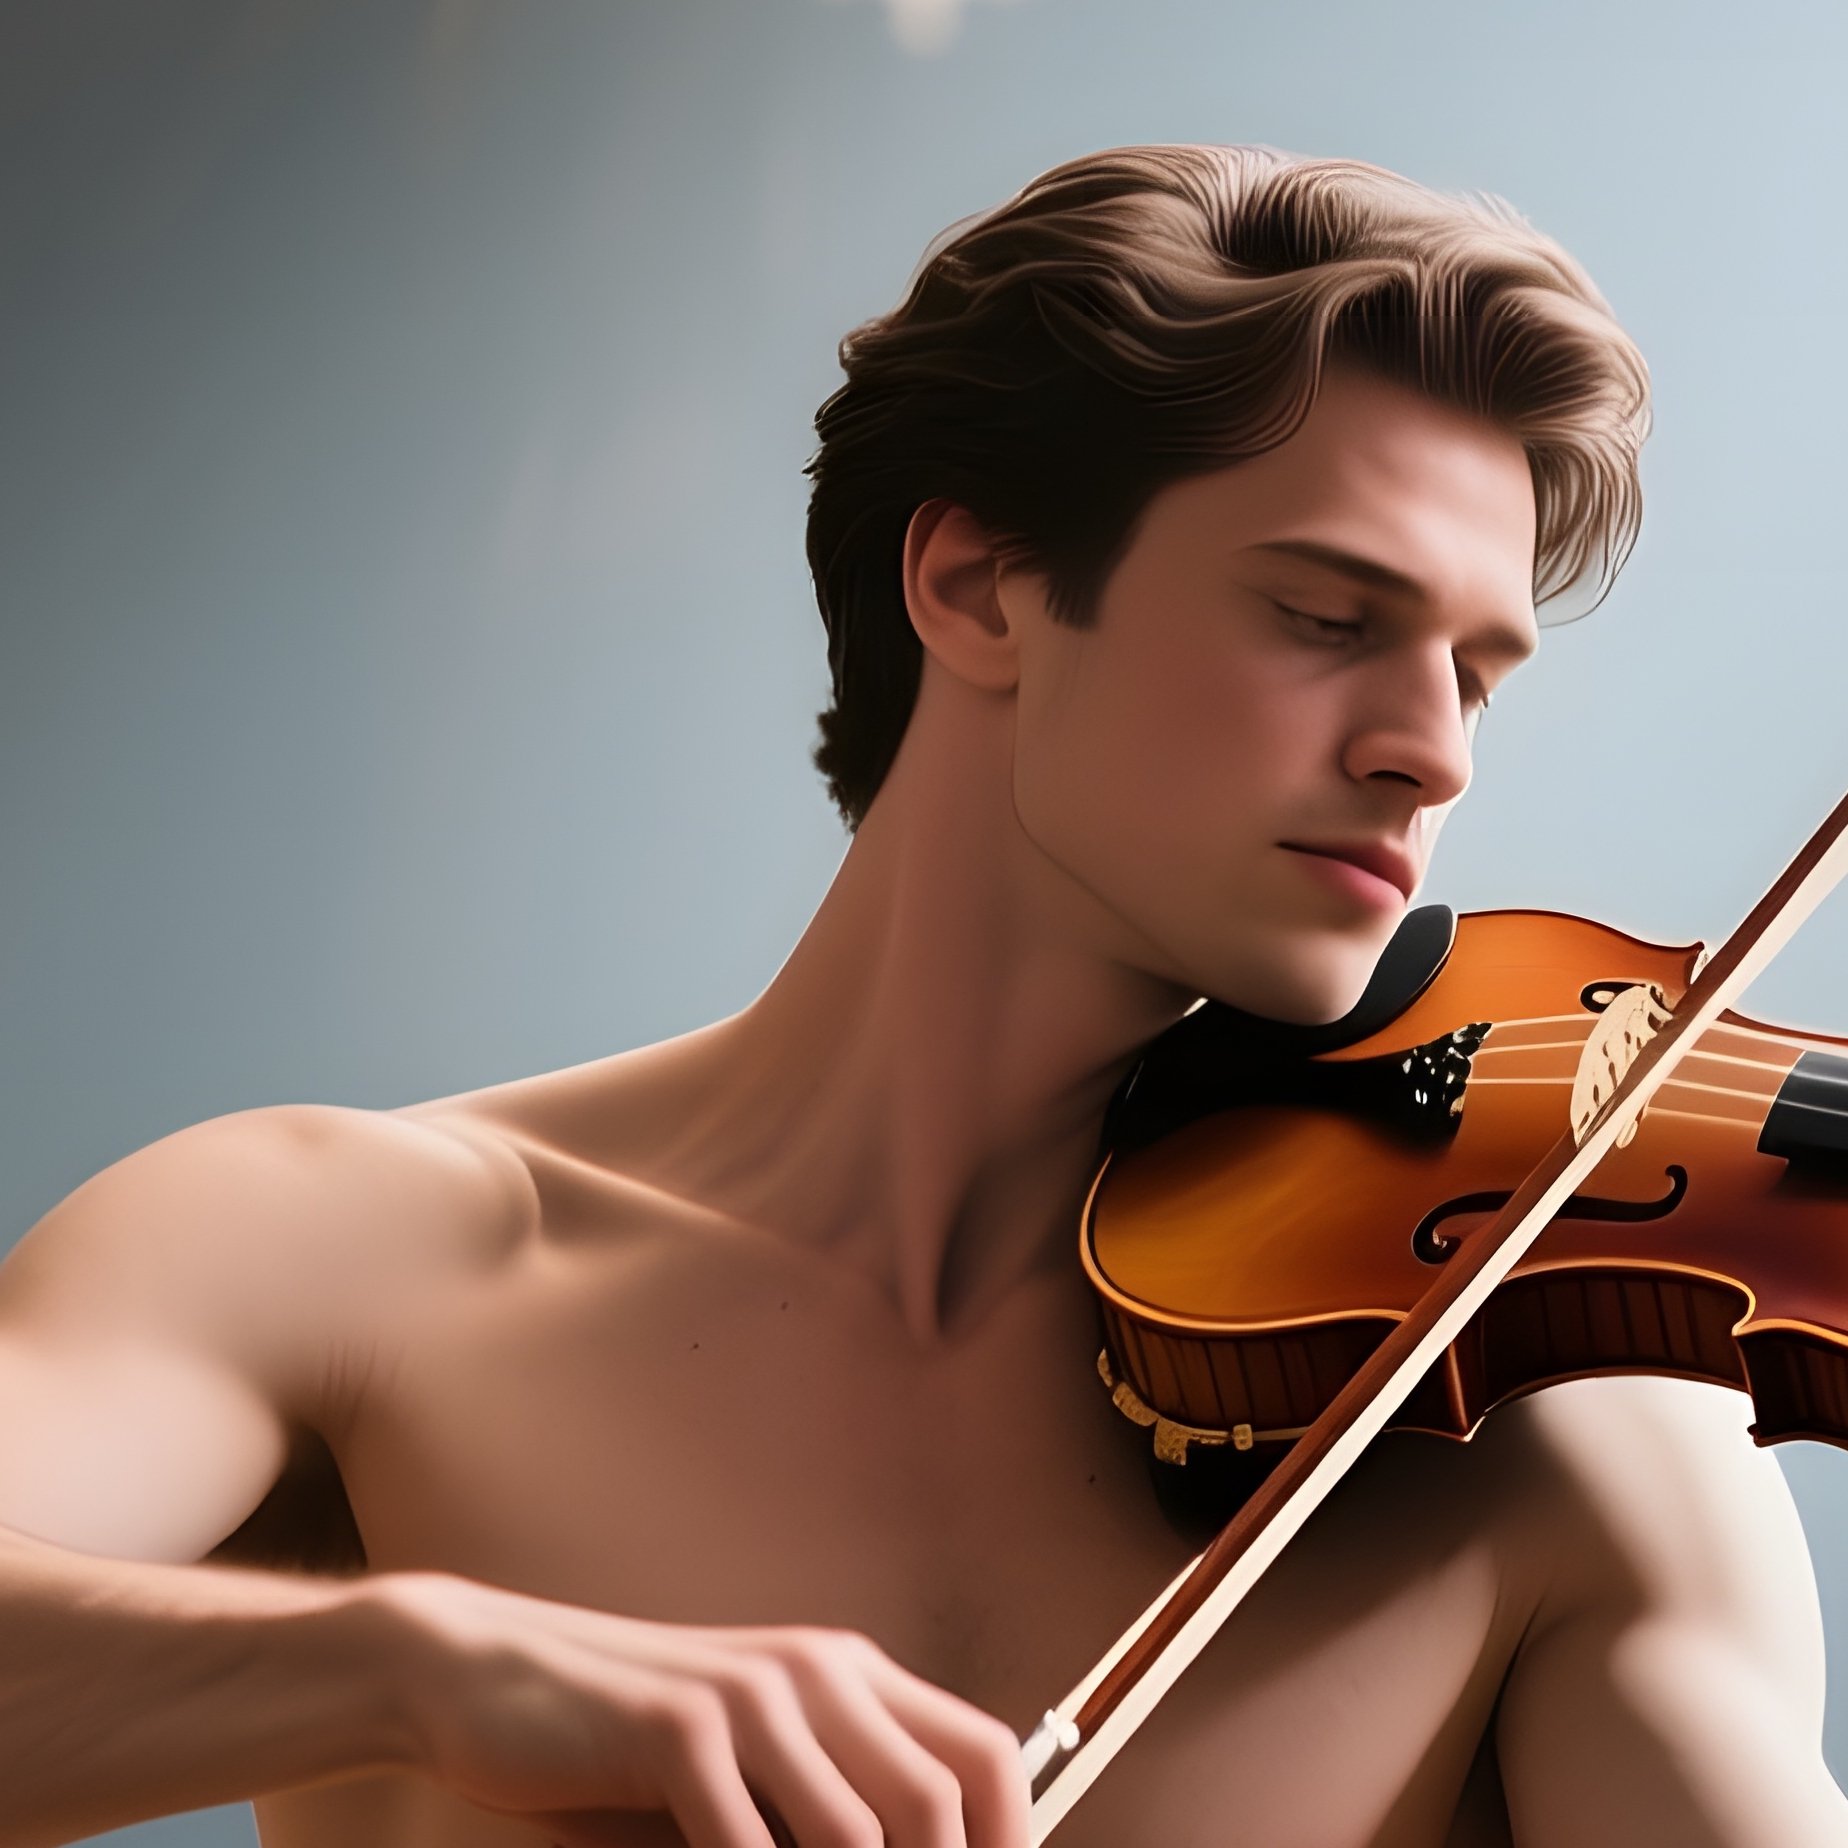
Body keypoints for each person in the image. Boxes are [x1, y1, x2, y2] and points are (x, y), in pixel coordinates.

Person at [0, 142, 1839, 1848]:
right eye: (1325, 616)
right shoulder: (337, 1263)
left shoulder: (1548, 1423)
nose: (1433, 754)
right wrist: (428, 1669)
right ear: (976, 586)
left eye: (1477, 673)